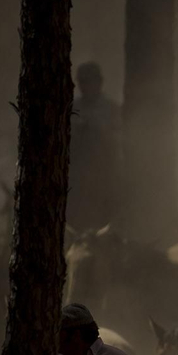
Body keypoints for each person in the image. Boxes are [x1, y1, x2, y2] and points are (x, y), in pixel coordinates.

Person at [67, 62, 123, 231]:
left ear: (99, 82)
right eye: (82, 82)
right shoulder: (72, 108)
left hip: (104, 178)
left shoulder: (111, 110)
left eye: (89, 81)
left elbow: (120, 141)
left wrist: (97, 131)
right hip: (77, 180)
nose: (85, 86)